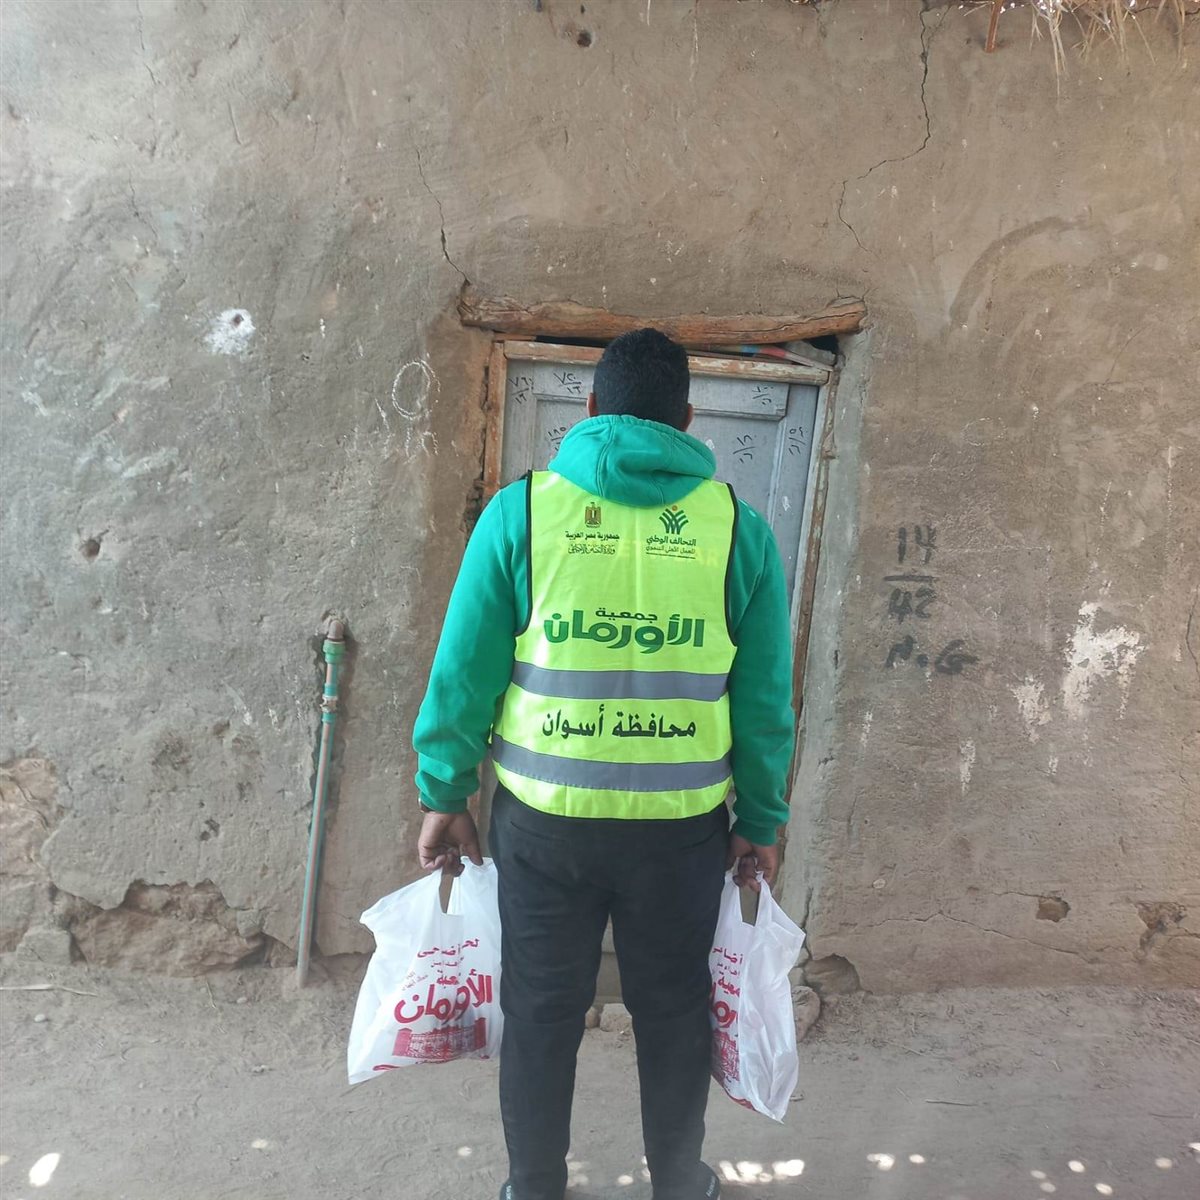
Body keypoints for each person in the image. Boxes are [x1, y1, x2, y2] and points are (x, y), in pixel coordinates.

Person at [412, 328, 795, 1200]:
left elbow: (463, 672)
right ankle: (679, 1184)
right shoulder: (737, 530)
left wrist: (445, 792)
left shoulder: (522, 513)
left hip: (544, 828)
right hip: (681, 833)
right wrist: (762, 820)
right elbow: (765, 704)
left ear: (588, 410)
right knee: (673, 1011)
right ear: (687, 420)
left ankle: (534, 1187)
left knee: (542, 1012)